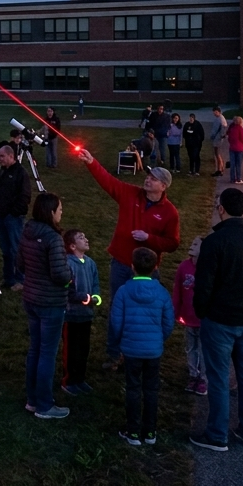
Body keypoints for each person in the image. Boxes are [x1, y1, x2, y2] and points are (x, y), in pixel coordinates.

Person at [78, 147, 180, 370]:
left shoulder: (170, 212)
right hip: (121, 263)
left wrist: (149, 238)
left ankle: (144, 350)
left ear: (163, 187)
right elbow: (109, 182)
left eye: (154, 179)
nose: (148, 180)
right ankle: (114, 354)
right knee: (117, 308)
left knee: (146, 311)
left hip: (147, 270)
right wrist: (91, 161)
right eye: (149, 176)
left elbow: (173, 243)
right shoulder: (131, 193)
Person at [190, 187, 243, 453]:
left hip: (220, 319)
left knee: (219, 377)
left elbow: (204, 284)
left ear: (222, 209)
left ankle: (217, 434)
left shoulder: (215, 242)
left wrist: (201, 310)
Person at [110, 246, 175, 446]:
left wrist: (122, 341)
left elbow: (116, 321)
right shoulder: (162, 292)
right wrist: (158, 339)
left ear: (132, 266)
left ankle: (133, 431)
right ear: (155, 267)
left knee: (133, 388)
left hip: (131, 349)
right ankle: (150, 431)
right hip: (153, 349)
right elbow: (168, 322)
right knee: (151, 389)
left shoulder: (123, 291)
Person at [17, 192, 72, 419]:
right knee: (47, 354)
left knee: (35, 350)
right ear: (51, 212)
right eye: (59, 209)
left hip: (31, 297)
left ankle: (32, 399)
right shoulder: (52, 238)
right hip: (50, 302)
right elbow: (59, 274)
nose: (61, 213)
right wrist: (71, 276)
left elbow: (19, 264)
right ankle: (44, 405)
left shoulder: (27, 232)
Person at [62, 229, 100, 395]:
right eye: (80, 237)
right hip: (72, 315)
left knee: (84, 348)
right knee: (72, 349)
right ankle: (69, 380)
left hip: (86, 315)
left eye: (85, 236)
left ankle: (80, 379)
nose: (85, 239)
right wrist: (85, 298)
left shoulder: (91, 263)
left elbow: (96, 284)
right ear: (72, 246)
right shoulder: (68, 264)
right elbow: (68, 291)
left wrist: (96, 297)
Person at [0, 145, 33, 291]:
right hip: (2, 216)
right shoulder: (3, 171)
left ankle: (20, 279)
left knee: (16, 249)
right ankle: (8, 277)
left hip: (13, 217)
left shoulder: (21, 173)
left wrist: (15, 212)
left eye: (2, 156)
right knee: (5, 249)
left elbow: (25, 196)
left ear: (11, 156)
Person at [172, 237, 206, 396]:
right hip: (188, 318)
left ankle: (204, 379)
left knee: (204, 350)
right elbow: (177, 291)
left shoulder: (208, 268)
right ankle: (193, 375)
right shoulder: (184, 266)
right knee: (191, 348)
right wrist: (176, 311)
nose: (191, 245)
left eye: (195, 244)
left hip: (204, 320)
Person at [227, 116, 243, 185]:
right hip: (240, 148)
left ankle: (232, 178)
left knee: (232, 164)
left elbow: (229, 138)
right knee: (238, 164)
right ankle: (238, 178)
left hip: (232, 148)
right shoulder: (240, 129)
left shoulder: (232, 129)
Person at [210, 107, 228, 177]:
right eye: (214, 112)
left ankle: (219, 169)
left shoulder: (220, 119)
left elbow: (222, 129)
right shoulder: (220, 118)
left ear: (219, 112)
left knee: (217, 154)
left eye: (216, 112)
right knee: (217, 154)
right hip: (217, 138)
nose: (214, 113)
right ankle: (220, 168)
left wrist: (220, 136)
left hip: (217, 139)